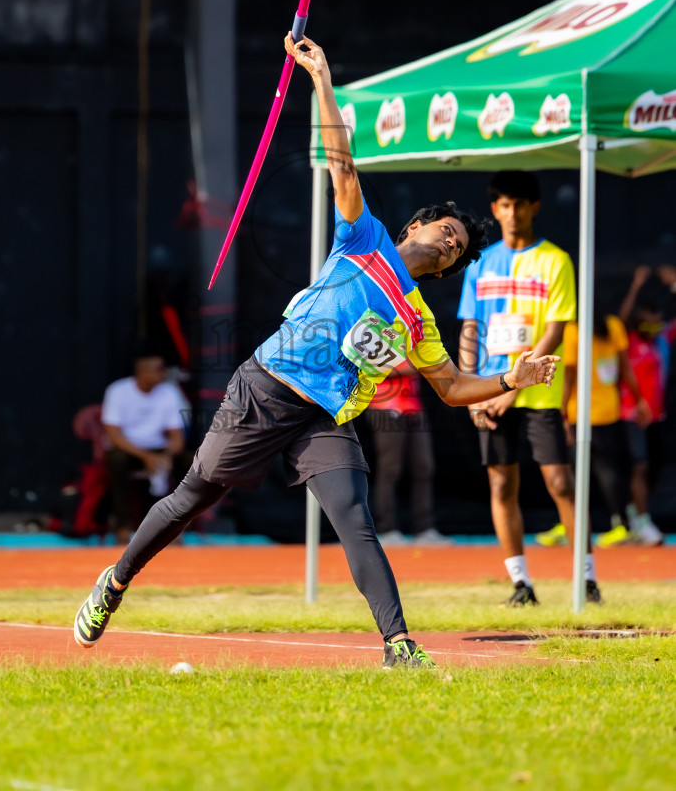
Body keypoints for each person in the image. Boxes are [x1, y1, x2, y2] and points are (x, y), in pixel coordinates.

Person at [74, 35, 560, 668]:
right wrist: (322, 78)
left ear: (448, 270)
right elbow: (343, 165)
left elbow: (451, 387)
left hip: (324, 418)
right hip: (266, 386)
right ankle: (114, 582)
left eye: (457, 247)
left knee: (355, 518)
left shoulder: (419, 320)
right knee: (193, 496)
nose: (449, 243)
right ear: (414, 227)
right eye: (445, 230)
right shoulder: (366, 238)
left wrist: (510, 377)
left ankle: (399, 646)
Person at [458, 170, 601, 606]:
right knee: (501, 485)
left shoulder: (555, 260)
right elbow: (470, 325)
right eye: (504, 204)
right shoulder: (480, 262)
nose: (512, 212)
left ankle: (587, 579)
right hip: (488, 390)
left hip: (536, 392)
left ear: (534, 207)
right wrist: (469, 389)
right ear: (494, 210)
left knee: (560, 482)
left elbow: (556, 330)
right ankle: (521, 585)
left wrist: (513, 388)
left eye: (520, 203)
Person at [558, 305, 651, 547]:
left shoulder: (572, 330)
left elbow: (569, 374)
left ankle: (618, 524)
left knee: (585, 471)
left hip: (582, 411)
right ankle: (615, 523)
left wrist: (562, 411)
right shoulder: (613, 325)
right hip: (609, 410)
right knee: (606, 469)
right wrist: (639, 400)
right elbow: (625, 367)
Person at [102, 349, 188, 543]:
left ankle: (175, 526)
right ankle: (122, 527)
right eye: (159, 369)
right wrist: (146, 457)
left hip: (158, 448)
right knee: (116, 460)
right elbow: (114, 436)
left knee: (192, 462)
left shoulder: (169, 392)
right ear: (142, 371)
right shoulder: (118, 391)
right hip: (129, 449)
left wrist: (165, 456)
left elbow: (177, 438)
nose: (164, 373)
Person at [618, 266, 676, 545]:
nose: (651, 325)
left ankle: (633, 512)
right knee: (638, 466)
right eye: (645, 321)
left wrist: (674, 284)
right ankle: (640, 521)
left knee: (653, 468)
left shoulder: (662, 341)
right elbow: (622, 319)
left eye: (655, 321)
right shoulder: (627, 341)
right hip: (631, 415)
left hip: (658, 417)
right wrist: (636, 286)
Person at [367, 360, 452, 546]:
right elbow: (368, 368)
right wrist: (413, 367)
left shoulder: (413, 334)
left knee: (424, 467)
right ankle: (386, 530)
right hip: (385, 405)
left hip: (413, 406)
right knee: (391, 470)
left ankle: (424, 529)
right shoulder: (373, 332)